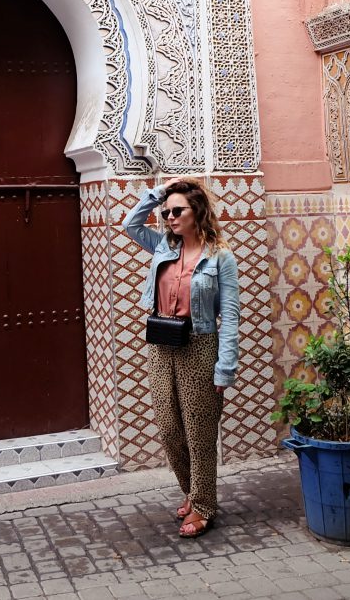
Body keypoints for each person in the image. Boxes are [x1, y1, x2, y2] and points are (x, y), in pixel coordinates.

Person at [121, 178, 240, 538]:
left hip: (200, 347)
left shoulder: (221, 257)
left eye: (177, 211)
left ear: (197, 212)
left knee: (199, 433)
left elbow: (230, 316)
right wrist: (161, 191)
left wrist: (225, 369)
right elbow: (130, 225)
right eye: (167, 212)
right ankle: (193, 491)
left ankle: (204, 505)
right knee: (171, 430)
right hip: (161, 346)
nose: (170, 217)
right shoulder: (161, 245)